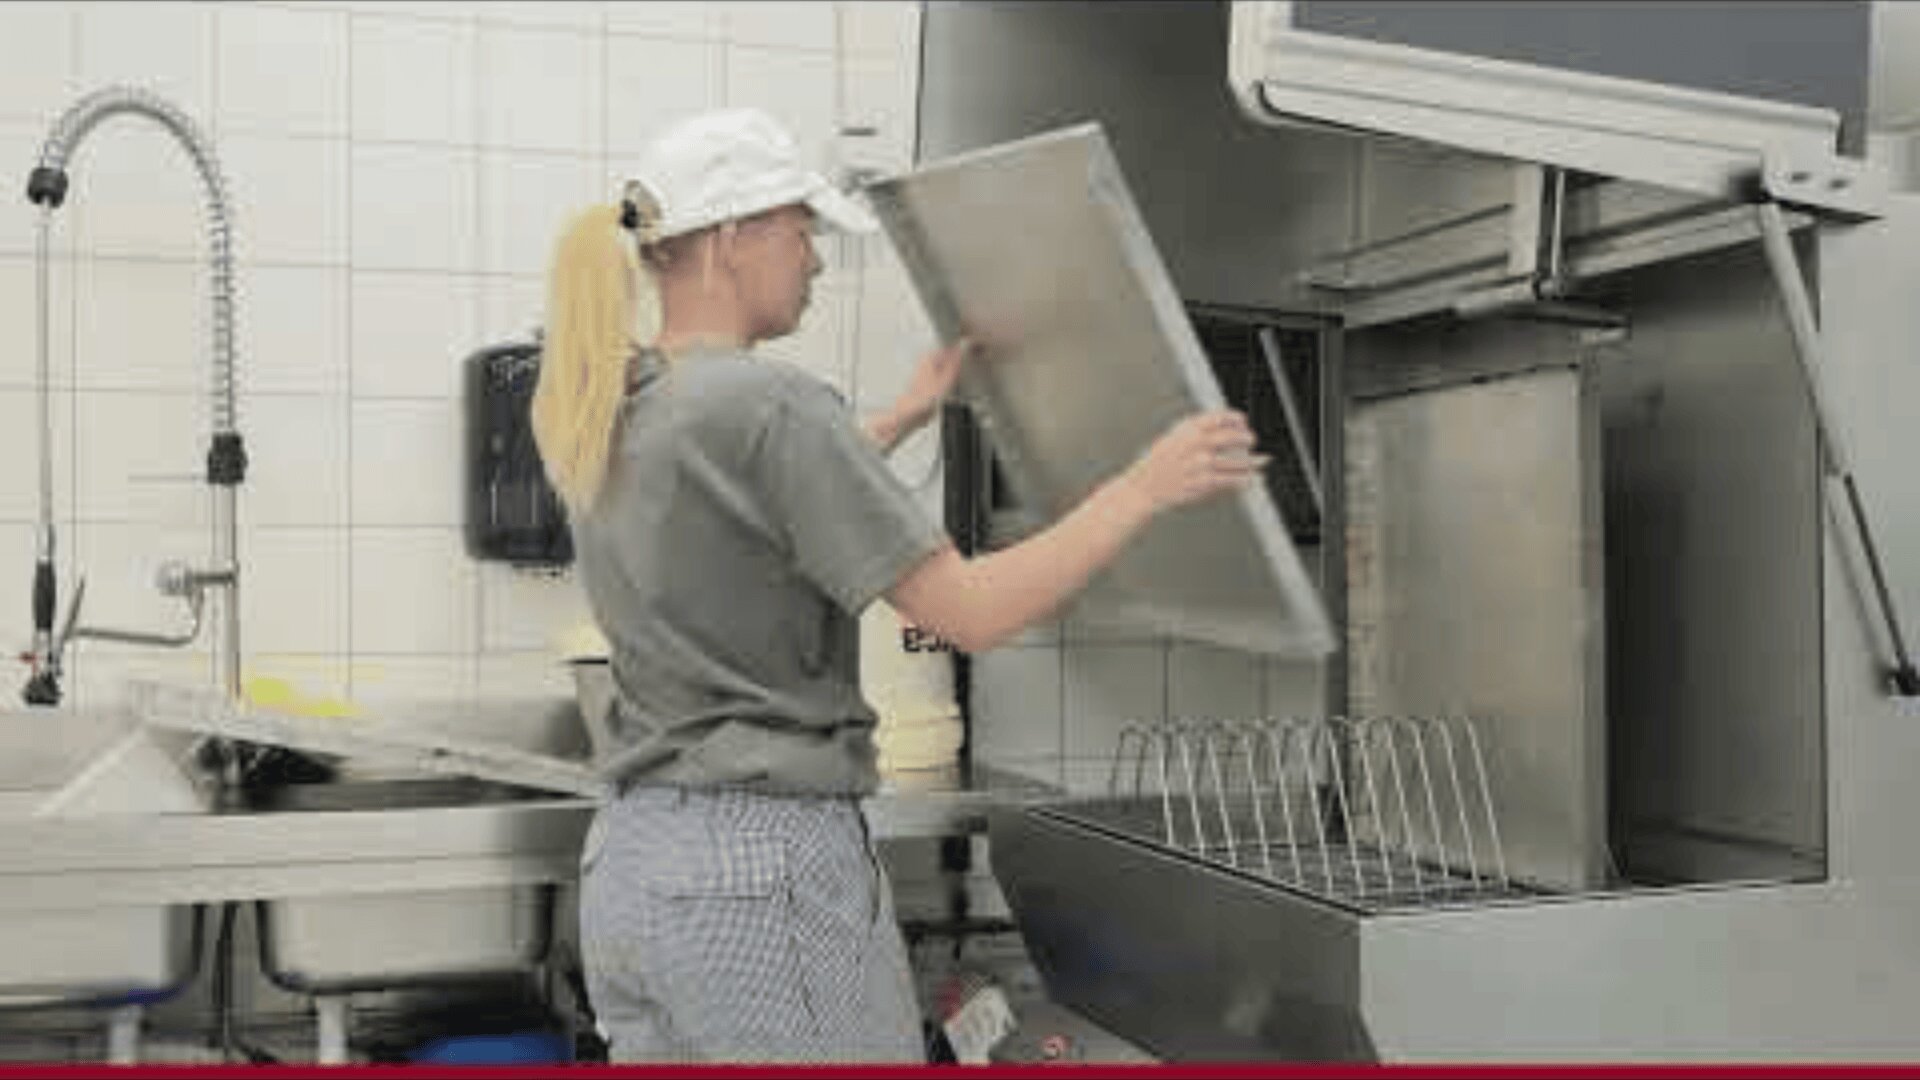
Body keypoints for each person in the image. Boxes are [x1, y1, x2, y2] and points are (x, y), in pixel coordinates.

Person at [533, 107, 1266, 1063]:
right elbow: (971, 611)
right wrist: (1143, 485)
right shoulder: (775, 404)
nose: (817, 261)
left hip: (635, 868)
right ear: (730, 239)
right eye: (803, 231)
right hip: (762, 878)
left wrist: (903, 416)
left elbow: (752, 526)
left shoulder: (621, 403)